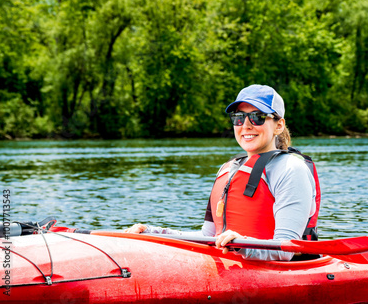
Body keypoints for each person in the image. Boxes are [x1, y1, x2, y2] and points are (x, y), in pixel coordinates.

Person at [125, 85, 321, 261]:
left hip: (276, 273)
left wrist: (242, 246)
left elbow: (286, 249)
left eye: (257, 117)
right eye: (238, 118)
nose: (246, 125)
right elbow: (208, 237)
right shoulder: (228, 169)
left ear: (279, 125)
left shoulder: (291, 170)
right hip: (231, 264)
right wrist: (156, 233)